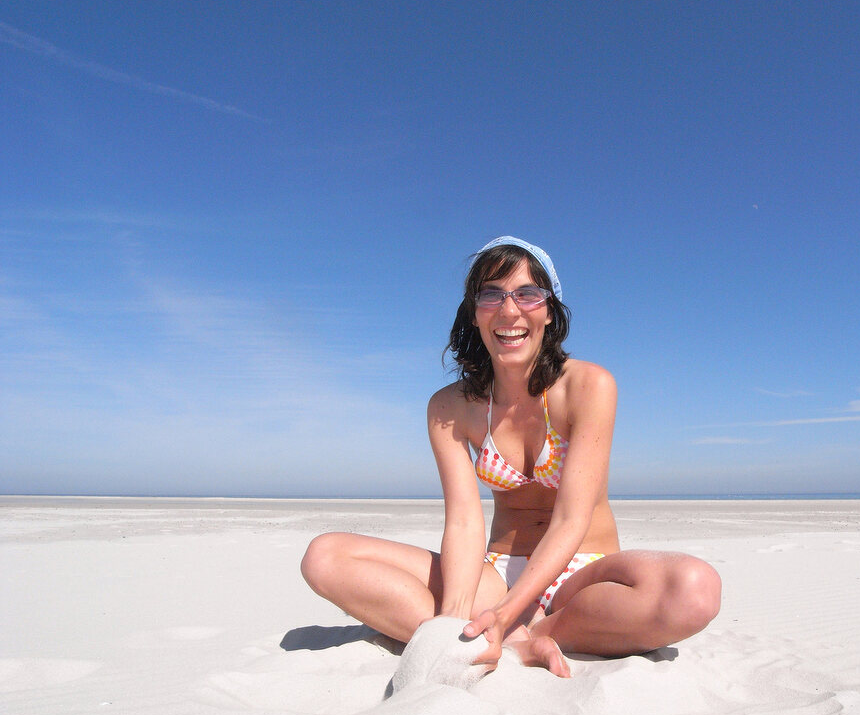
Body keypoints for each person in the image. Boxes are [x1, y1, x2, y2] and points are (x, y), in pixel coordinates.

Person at [301, 236, 721, 677]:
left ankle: (529, 634)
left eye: (527, 293)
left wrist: (504, 616)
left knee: (695, 590)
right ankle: (510, 645)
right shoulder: (449, 407)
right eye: (491, 294)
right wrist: (455, 614)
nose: (509, 310)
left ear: (550, 309)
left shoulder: (588, 387)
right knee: (325, 556)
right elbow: (464, 520)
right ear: (473, 312)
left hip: (581, 580)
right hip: (497, 573)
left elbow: (571, 520)